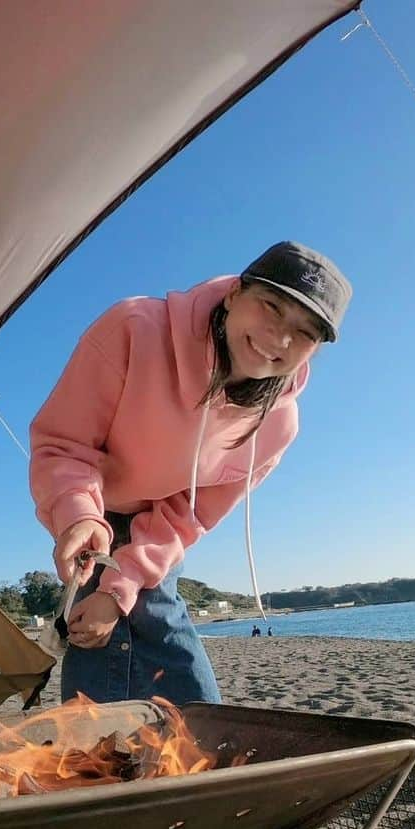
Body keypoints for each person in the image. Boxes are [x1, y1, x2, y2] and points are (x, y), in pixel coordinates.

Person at [29, 241, 351, 704]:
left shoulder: (278, 424)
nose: (278, 339)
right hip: (91, 496)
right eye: (271, 307)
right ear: (235, 294)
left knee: (149, 607)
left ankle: (197, 746)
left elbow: (190, 515)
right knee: (101, 620)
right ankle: (90, 755)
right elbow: (64, 444)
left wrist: (118, 589)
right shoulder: (134, 328)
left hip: (163, 518)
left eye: (304, 333)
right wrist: (77, 515)